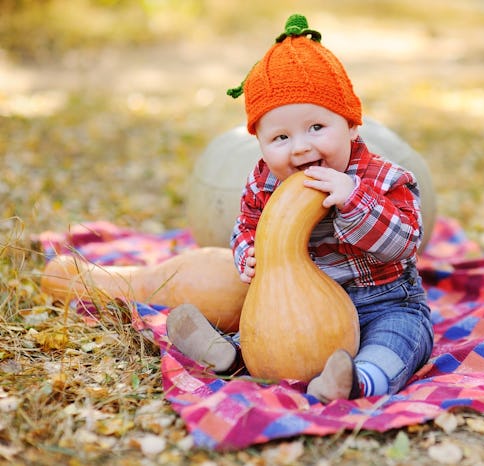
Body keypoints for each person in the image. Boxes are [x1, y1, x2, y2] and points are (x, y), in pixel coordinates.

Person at [166, 13, 434, 403]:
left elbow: (405, 242)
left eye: (316, 128)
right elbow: (244, 228)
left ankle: (356, 380)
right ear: (258, 142)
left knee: (402, 338)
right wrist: (248, 256)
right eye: (280, 136)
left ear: (351, 124)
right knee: (266, 335)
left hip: (381, 300)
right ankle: (230, 354)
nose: (300, 147)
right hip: (298, 310)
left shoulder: (384, 178)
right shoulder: (263, 183)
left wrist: (352, 199)